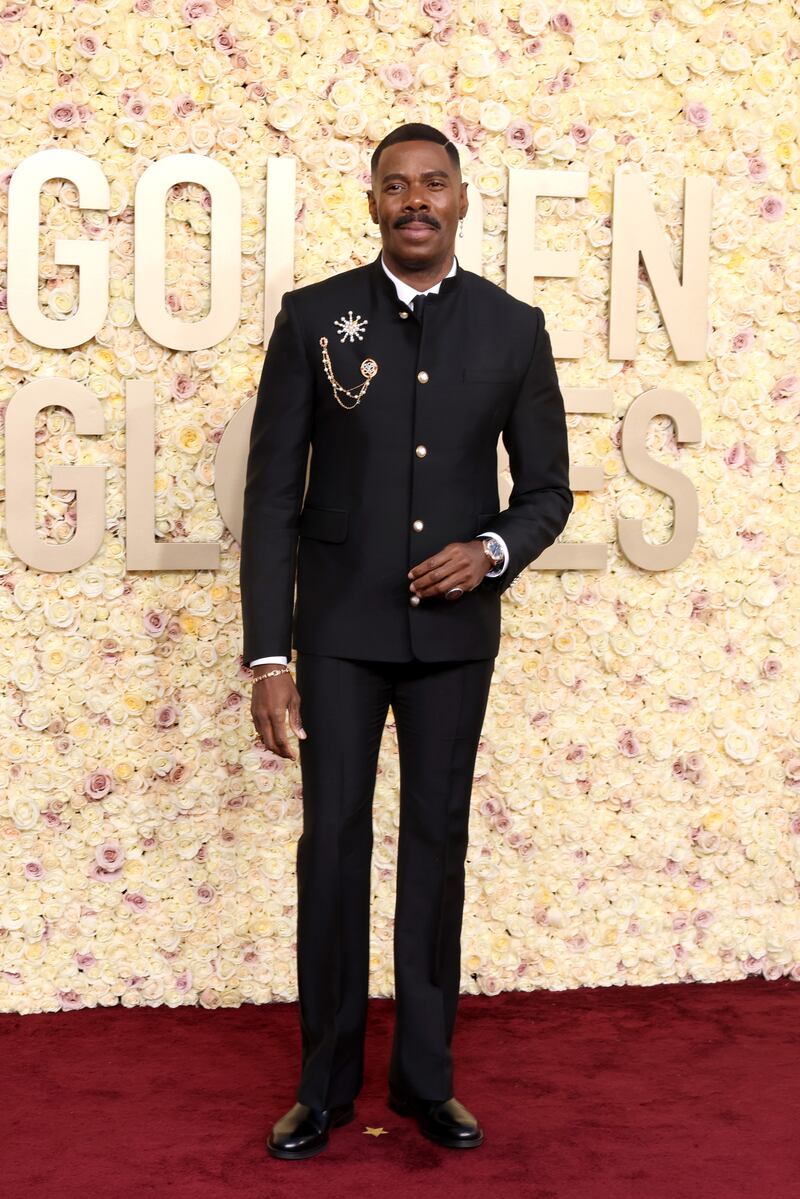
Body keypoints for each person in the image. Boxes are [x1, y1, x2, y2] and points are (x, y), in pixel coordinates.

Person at [239, 121, 573, 1161]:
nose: (414, 200)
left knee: (436, 853)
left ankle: (426, 1080)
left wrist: (490, 547)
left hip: (455, 643)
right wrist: (266, 654)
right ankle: (323, 1088)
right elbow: (269, 499)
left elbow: (548, 491)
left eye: (433, 183)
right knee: (329, 849)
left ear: (462, 200)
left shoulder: (514, 329)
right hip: (334, 636)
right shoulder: (311, 319)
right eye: (395, 186)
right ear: (372, 202)